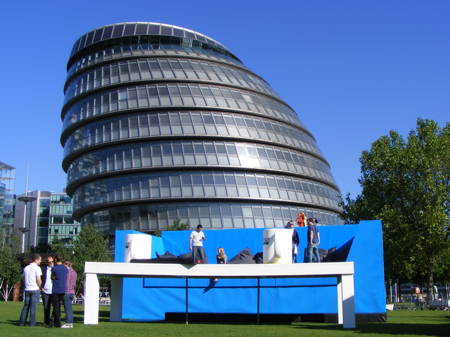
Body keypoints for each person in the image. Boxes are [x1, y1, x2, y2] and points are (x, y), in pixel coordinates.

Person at [19, 254, 42, 327]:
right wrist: (40, 287)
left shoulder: (26, 268)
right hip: (34, 289)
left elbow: (23, 277)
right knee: (33, 307)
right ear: (36, 259)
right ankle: (32, 323)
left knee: (25, 306)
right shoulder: (37, 268)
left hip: (27, 289)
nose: (40, 262)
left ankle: (22, 323)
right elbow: (38, 279)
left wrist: (26, 283)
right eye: (40, 260)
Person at [51, 254, 68, 328]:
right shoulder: (65, 268)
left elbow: (52, 277)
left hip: (55, 289)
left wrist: (54, 278)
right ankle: (55, 321)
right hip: (62, 289)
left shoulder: (54, 268)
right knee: (59, 306)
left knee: (56, 307)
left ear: (55, 260)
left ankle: (56, 323)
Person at [62, 261, 77, 328]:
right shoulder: (74, 272)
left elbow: (67, 283)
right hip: (72, 292)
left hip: (67, 292)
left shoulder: (68, 272)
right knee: (69, 309)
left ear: (66, 265)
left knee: (67, 309)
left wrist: (65, 291)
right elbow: (73, 284)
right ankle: (70, 322)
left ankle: (68, 323)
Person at [41, 255, 54, 327]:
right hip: (45, 291)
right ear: (47, 262)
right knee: (46, 307)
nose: (52, 263)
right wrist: (41, 287)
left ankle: (52, 320)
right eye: (50, 262)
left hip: (54, 291)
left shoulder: (55, 269)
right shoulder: (43, 269)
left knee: (55, 307)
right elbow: (39, 279)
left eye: (53, 261)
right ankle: (46, 322)